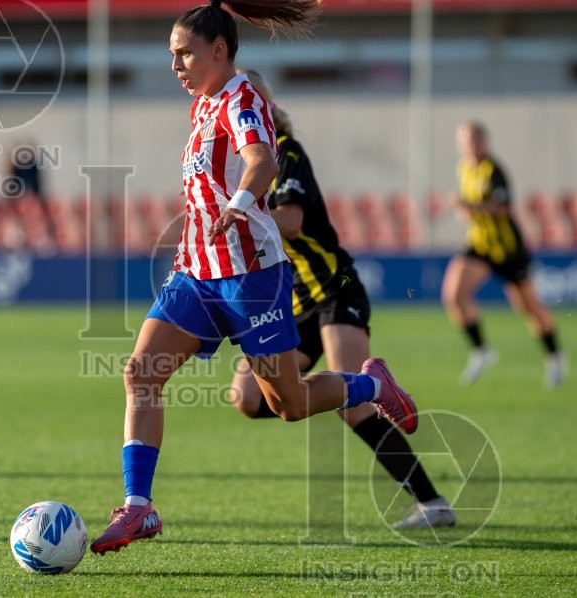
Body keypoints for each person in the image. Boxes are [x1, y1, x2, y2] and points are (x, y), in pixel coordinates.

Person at [90, 0, 419, 556]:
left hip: (251, 278)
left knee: (287, 404)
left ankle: (370, 385)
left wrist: (242, 200)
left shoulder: (242, 96)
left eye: (184, 53)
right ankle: (139, 509)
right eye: (172, 55)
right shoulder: (201, 104)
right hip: (197, 273)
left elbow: (261, 160)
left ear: (219, 50)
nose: (176, 65)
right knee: (141, 374)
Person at [229, 70, 454, 529]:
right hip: (293, 303)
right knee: (249, 397)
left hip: (335, 290)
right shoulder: (237, 168)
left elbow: (289, 221)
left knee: (355, 408)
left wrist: (236, 210)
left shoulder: (284, 153)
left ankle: (433, 503)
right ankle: (340, 392)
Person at [441, 122, 565, 387]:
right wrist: (465, 210)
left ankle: (555, 357)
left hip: (507, 250)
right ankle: (481, 351)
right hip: (479, 245)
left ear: (485, 142)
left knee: (529, 308)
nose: (470, 145)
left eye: (474, 139)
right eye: (465, 140)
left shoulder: (494, 171)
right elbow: (471, 210)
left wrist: (469, 206)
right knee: (453, 295)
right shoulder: (463, 168)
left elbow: (503, 209)